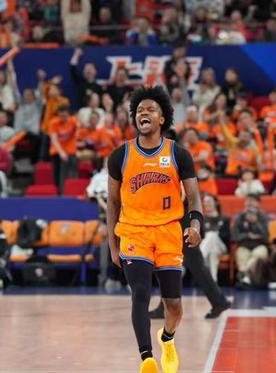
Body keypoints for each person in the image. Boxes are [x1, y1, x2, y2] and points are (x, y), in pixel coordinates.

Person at [106, 86, 202, 373]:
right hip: (134, 231)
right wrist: (112, 245)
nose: (143, 113)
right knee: (140, 292)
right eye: (139, 110)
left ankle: (167, 339)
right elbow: (113, 203)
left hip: (168, 231)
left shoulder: (178, 154)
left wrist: (195, 225)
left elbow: (194, 197)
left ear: (162, 119)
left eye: (150, 109)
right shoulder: (120, 155)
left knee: (173, 305)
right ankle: (147, 359)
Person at [232, 199, 269, 284]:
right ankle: (247, 277)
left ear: (258, 205)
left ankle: (244, 275)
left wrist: (256, 223)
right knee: (241, 255)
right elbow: (235, 237)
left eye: (252, 202)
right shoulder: (239, 218)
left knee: (258, 255)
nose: (250, 205)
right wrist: (248, 235)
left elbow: (265, 237)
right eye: (248, 203)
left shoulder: (263, 218)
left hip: (259, 245)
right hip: (244, 245)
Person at [197, 193, 231, 282]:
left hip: (221, 246)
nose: (206, 204)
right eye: (205, 202)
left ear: (216, 203)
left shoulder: (224, 219)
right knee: (213, 253)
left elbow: (226, 237)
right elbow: (201, 237)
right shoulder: (202, 219)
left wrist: (215, 234)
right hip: (210, 248)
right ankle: (213, 281)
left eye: (209, 201)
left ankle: (199, 259)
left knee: (212, 235)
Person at [48, 104, 78, 193]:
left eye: (65, 116)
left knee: (73, 171)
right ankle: (60, 193)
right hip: (57, 151)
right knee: (58, 174)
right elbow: (54, 139)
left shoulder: (73, 121)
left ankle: (73, 191)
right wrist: (61, 153)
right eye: (61, 116)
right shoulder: (53, 123)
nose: (63, 118)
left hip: (71, 150)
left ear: (68, 114)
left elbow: (79, 132)